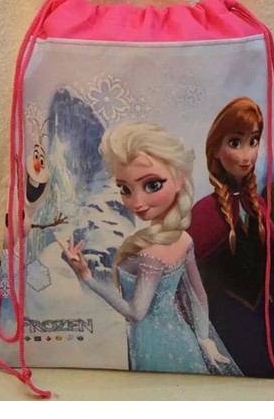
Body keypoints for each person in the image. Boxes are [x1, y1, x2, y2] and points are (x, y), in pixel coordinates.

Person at [56, 121, 242, 376]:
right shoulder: (183, 239)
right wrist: (203, 338)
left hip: (154, 344)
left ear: (179, 179)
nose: (137, 202)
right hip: (181, 337)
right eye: (125, 189)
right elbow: (199, 294)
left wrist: (87, 277)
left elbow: (136, 312)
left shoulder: (151, 255)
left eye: (152, 185)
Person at [187, 97, 274, 378]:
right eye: (235, 143)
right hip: (224, 327)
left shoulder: (258, 207)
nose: (246, 155)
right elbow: (190, 283)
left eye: (254, 141)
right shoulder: (203, 212)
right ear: (216, 150)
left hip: (266, 323)